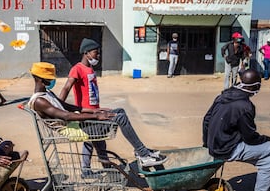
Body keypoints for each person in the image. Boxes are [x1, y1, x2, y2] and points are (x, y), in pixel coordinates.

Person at [28, 62, 168, 167]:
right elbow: (66, 115)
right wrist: (96, 116)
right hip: (75, 130)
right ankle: (143, 154)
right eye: (49, 78)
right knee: (120, 118)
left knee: (119, 111)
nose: (52, 80)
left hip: (78, 125)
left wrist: (94, 110)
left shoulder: (47, 93)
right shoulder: (39, 101)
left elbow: (69, 106)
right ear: (40, 79)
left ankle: (141, 151)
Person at [202, 69, 270, 191]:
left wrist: (207, 143)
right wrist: (265, 139)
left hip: (214, 145)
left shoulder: (222, 96)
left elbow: (206, 120)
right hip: (228, 149)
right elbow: (250, 138)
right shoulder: (246, 106)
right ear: (256, 86)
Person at [59, 38, 108, 176]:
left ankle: (87, 169)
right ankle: (106, 169)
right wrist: (58, 107)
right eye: (95, 53)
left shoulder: (89, 68)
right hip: (86, 113)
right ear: (86, 53)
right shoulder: (77, 69)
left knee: (91, 142)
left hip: (94, 111)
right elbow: (66, 88)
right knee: (99, 143)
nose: (97, 56)